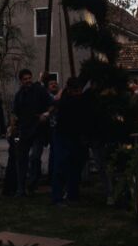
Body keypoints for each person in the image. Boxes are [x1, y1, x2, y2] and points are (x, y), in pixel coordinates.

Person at [12, 68, 52, 197]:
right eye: (25, 79)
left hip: (38, 130)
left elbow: (52, 104)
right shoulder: (19, 95)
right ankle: (20, 189)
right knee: (21, 160)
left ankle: (33, 183)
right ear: (21, 81)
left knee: (35, 157)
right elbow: (15, 112)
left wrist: (46, 114)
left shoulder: (39, 90)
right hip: (24, 130)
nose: (28, 81)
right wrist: (13, 126)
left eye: (29, 78)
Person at [51, 77, 88, 205]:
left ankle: (71, 195)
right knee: (61, 166)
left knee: (74, 167)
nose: (79, 93)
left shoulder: (69, 99)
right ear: (71, 90)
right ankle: (59, 197)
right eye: (77, 91)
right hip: (64, 135)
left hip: (72, 136)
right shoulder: (67, 102)